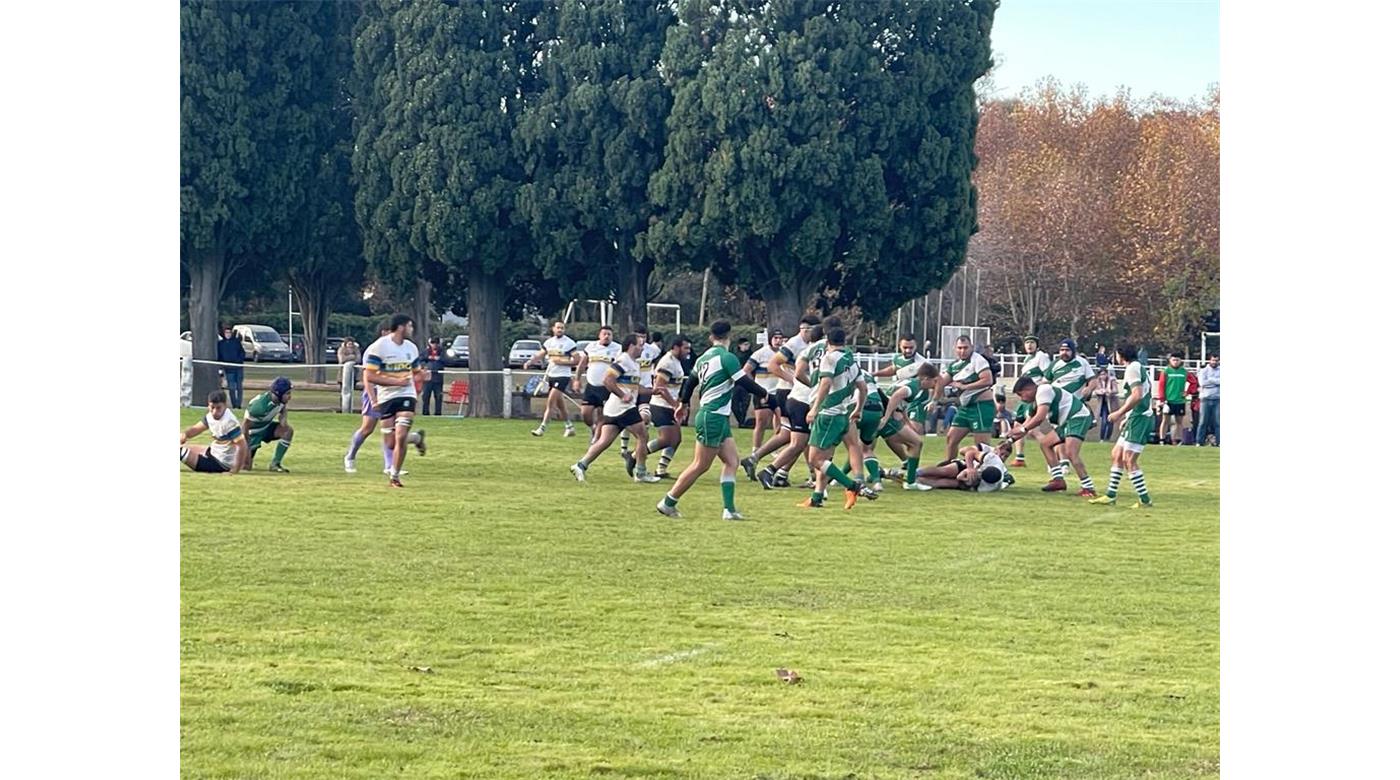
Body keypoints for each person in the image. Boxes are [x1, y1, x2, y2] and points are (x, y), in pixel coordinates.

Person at [657, 321, 770, 520]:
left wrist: (683, 403)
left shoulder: (703, 358)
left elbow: (690, 383)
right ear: (729, 336)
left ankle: (729, 510)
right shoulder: (727, 357)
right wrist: (764, 393)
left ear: (711, 337)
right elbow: (742, 381)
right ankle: (668, 502)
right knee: (700, 465)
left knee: (732, 461)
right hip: (713, 416)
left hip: (717, 417)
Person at [801, 327, 880, 509]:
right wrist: (858, 409)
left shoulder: (829, 358)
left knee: (815, 460)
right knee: (826, 458)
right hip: (844, 414)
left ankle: (852, 486)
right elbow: (863, 387)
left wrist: (815, 408)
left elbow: (826, 383)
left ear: (827, 341)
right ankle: (817, 497)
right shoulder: (851, 360)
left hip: (828, 414)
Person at [571, 334, 656, 483]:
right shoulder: (623, 360)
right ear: (631, 346)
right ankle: (641, 473)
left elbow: (634, 387)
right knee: (643, 436)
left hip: (613, 409)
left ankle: (581, 465)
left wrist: (653, 391)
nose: (642, 349)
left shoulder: (634, 363)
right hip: (623, 407)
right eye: (640, 345)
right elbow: (607, 380)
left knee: (604, 441)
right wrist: (622, 395)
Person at [748, 315, 820, 487]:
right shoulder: (795, 344)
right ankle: (808, 474)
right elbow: (773, 365)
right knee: (800, 438)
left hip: (794, 393)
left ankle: (762, 462)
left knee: (790, 436)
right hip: (791, 393)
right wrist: (794, 380)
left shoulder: (808, 345)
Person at [365, 314, 430, 488]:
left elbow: (415, 373)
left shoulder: (411, 348)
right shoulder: (379, 347)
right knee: (391, 443)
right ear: (401, 327)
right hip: (386, 397)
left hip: (406, 395)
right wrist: (395, 382)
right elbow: (370, 376)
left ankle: (394, 476)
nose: (412, 330)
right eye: (410, 326)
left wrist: (422, 376)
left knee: (400, 436)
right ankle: (416, 438)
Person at [1007, 375, 1097, 496]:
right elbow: (1028, 423)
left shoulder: (1043, 390)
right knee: (1045, 444)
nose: (1022, 399)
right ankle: (1058, 480)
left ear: (1029, 389)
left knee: (1071, 452)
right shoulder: (1035, 401)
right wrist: (1009, 441)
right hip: (1067, 421)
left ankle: (1088, 487)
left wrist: (1022, 429)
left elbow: (1039, 417)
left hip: (1078, 417)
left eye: (1021, 394)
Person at [1090, 344, 1156, 508]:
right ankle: (1110, 495)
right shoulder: (1136, 367)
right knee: (1117, 454)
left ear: (1120, 355)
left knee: (1129, 459)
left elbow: (1137, 395)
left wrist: (1119, 413)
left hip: (1140, 418)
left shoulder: (1132, 368)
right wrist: (1127, 416)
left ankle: (1145, 500)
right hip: (1135, 417)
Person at [872, 361, 942, 491]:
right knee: (916, 443)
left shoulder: (913, 384)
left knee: (864, 447)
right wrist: (886, 417)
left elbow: (901, 403)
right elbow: (896, 396)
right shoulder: (914, 387)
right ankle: (910, 482)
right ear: (925, 379)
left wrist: (908, 422)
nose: (935, 384)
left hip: (877, 411)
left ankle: (840, 478)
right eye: (934, 381)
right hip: (884, 415)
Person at [932, 335, 997, 463]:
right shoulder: (954, 365)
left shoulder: (978, 360)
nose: (962, 351)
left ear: (971, 347)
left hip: (981, 407)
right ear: (955, 348)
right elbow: (941, 382)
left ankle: (990, 468)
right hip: (965, 407)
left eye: (965, 348)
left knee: (982, 446)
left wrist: (964, 386)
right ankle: (950, 465)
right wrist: (933, 399)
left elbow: (987, 380)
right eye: (960, 348)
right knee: (951, 438)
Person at [643, 336, 691, 479]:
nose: (688, 351)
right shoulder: (667, 362)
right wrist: (675, 404)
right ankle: (635, 455)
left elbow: (673, 387)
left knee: (676, 439)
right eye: (685, 348)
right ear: (676, 347)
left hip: (668, 406)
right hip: (660, 405)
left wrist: (679, 403)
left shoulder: (676, 361)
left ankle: (661, 469)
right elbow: (659, 387)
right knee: (667, 439)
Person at [527, 321, 579, 438]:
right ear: (553, 329)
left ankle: (542, 428)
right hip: (551, 375)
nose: (560, 330)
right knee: (560, 404)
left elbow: (577, 360)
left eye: (562, 328)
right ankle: (569, 426)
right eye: (558, 328)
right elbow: (540, 354)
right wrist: (530, 362)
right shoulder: (549, 342)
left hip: (563, 376)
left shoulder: (569, 343)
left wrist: (561, 362)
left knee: (550, 402)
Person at [180, 390, 247, 474]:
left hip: (221, 464)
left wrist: (234, 470)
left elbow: (242, 446)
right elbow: (197, 428)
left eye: (218, 408)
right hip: (213, 453)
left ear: (225, 406)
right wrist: (185, 434)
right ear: (208, 405)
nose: (215, 411)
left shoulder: (229, 422)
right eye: (212, 407)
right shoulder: (210, 416)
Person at [574, 326, 621, 442]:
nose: (606, 336)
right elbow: (582, 364)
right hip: (591, 385)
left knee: (602, 414)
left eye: (609, 334)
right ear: (599, 335)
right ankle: (592, 427)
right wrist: (577, 380)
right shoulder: (591, 347)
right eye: (604, 334)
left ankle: (596, 438)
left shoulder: (618, 349)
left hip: (606, 387)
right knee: (585, 413)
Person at [744, 330, 785, 462]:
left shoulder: (784, 353)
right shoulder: (761, 353)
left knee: (780, 421)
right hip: (763, 392)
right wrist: (755, 387)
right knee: (761, 422)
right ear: (770, 339)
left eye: (780, 338)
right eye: (775, 338)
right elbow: (746, 370)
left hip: (779, 391)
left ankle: (774, 449)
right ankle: (756, 449)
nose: (778, 341)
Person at [1011, 335, 1051, 468]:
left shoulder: (1041, 357)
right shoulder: (1027, 359)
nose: (1029, 345)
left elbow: (1048, 376)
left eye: (1032, 342)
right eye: (1027, 342)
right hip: (1025, 398)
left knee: (1033, 430)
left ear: (1037, 345)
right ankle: (1019, 457)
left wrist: (1038, 390)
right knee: (1018, 425)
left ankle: (1052, 452)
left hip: (1034, 397)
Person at [242, 376, 296, 473]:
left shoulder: (280, 400)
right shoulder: (259, 407)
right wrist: (247, 446)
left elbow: (283, 408)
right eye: (287, 393)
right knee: (246, 467)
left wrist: (283, 419)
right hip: (252, 434)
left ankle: (275, 464)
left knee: (287, 431)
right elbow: (245, 426)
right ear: (279, 393)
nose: (290, 397)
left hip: (266, 427)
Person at [912, 440, 1014, 491]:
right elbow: (968, 452)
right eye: (1002, 453)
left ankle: (917, 481)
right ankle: (914, 473)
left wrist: (968, 481)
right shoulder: (992, 458)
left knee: (947, 483)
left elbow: (1009, 480)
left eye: (1006, 456)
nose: (1003, 457)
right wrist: (970, 469)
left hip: (974, 480)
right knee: (945, 471)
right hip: (966, 465)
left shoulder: (989, 486)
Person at [1156, 352, 1189, 445]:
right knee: (1165, 421)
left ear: (1180, 361)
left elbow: (1194, 382)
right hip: (1168, 401)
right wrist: (1162, 399)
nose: (1175, 362)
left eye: (1177, 360)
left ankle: (1178, 440)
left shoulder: (1184, 372)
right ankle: (1162, 439)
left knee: (1179, 422)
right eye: (1173, 360)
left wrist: (1187, 392)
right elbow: (1161, 386)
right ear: (1170, 360)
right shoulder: (1166, 371)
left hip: (1180, 401)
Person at [216, 324, 245, 408]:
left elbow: (242, 353)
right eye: (226, 332)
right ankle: (234, 404)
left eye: (229, 332)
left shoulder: (236, 342)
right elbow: (219, 356)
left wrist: (239, 361)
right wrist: (221, 367)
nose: (228, 334)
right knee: (231, 388)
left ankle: (239, 405)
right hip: (228, 369)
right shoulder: (220, 344)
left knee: (239, 387)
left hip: (238, 368)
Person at [1197, 354, 1220, 446]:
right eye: (1213, 360)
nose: (1214, 362)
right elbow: (1202, 383)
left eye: (1216, 360)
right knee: (1202, 422)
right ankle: (1199, 442)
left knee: (1218, 422)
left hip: (1218, 399)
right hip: (1205, 399)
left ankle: (1219, 442)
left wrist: (1210, 380)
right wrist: (1216, 382)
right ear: (1209, 360)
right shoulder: (1203, 371)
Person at [1092, 367, 1120, 441]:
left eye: (1104, 374)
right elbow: (1095, 391)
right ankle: (1102, 438)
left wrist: (1110, 391)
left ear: (1107, 374)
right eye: (1101, 374)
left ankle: (1107, 438)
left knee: (1110, 421)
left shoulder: (1112, 380)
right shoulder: (1098, 381)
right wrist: (1100, 391)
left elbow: (1116, 390)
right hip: (1103, 403)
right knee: (1104, 421)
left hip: (1111, 403)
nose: (1103, 376)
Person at [420, 337, 445, 416]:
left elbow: (448, 361)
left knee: (438, 396)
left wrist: (440, 359)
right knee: (425, 396)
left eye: (436, 343)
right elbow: (420, 360)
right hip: (427, 378)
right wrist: (427, 360)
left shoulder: (442, 352)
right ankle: (425, 412)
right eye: (432, 343)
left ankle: (438, 413)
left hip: (438, 378)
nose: (434, 345)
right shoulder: (425, 352)